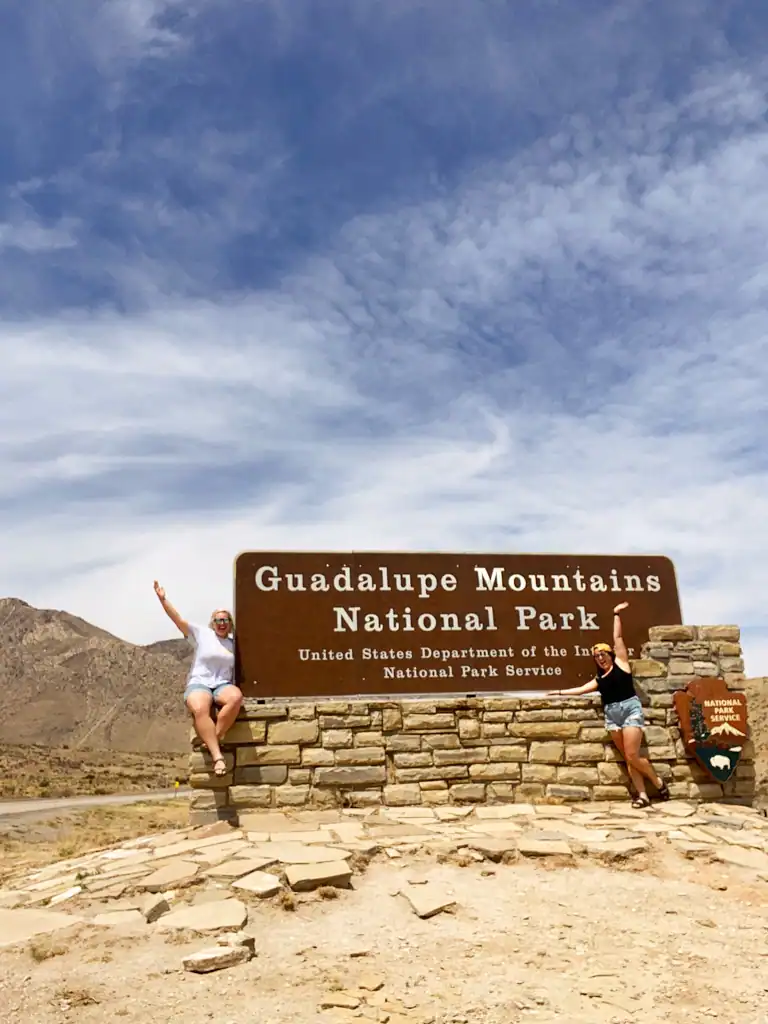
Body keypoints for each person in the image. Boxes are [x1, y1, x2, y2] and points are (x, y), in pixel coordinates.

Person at [548, 601, 670, 808]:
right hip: (612, 715)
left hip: (630, 709)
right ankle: (642, 795)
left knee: (632, 755)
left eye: (603, 654)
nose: (600, 658)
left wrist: (615, 615)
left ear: (610, 654)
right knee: (628, 758)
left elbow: (618, 638)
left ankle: (657, 781)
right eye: (596, 657)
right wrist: (557, 692)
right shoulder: (599, 680)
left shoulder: (621, 664)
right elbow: (579, 690)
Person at [153, 580, 242, 776]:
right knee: (201, 708)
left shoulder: (233, 643)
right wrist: (163, 599)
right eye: (218, 620)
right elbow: (177, 619)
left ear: (230, 624)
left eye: (225, 620)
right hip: (200, 683)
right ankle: (218, 757)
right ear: (213, 622)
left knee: (235, 698)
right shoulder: (202, 634)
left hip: (222, 684)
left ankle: (213, 738)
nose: (222, 623)